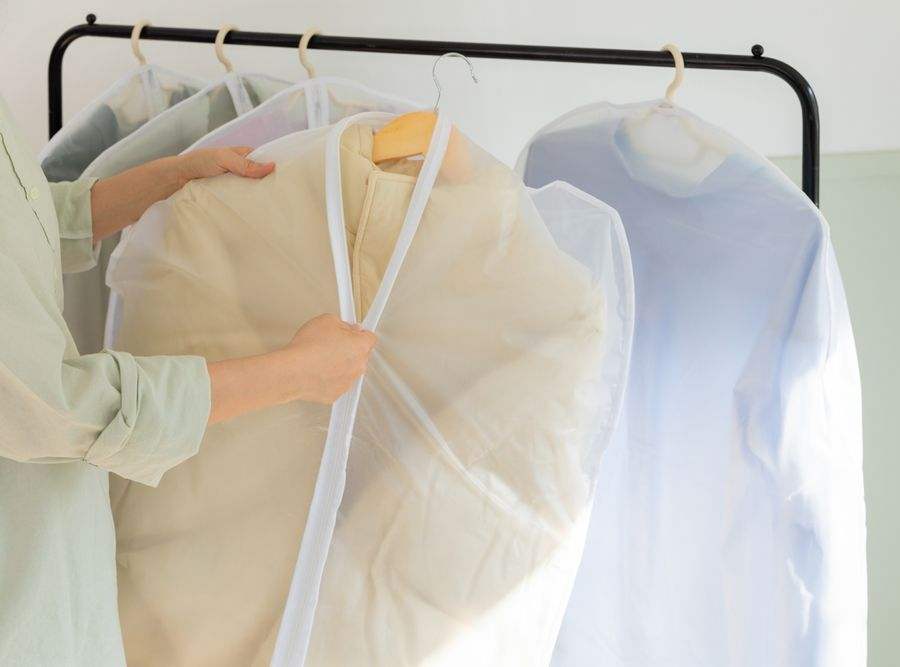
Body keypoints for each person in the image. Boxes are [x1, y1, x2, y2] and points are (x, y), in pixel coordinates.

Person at [0, 93, 376, 665]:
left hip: (58, 559)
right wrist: (294, 374)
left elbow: (19, 225)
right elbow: (57, 407)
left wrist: (166, 178)